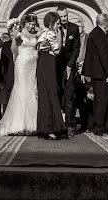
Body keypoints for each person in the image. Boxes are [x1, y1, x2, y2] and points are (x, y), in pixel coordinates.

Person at [0, 14, 40, 136]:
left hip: (33, 64)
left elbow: (38, 44)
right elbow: (13, 50)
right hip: (22, 64)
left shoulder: (36, 35)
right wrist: (15, 38)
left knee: (32, 91)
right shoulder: (19, 34)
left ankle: (32, 124)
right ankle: (18, 124)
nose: (32, 26)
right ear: (25, 23)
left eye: (34, 24)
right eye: (30, 24)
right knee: (21, 91)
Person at [82, 13, 108, 136]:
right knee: (101, 101)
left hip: (101, 73)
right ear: (106, 23)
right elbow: (103, 55)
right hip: (102, 74)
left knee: (107, 100)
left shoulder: (97, 33)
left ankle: (107, 126)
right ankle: (99, 127)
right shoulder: (99, 34)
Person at [36, 11, 68, 140]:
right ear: (52, 23)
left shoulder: (42, 32)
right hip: (48, 62)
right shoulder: (50, 33)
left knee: (44, 93)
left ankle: (45, 128)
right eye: (57, 24)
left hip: (42, 63)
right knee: (51, 93)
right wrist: (60, 37)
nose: (58, 26)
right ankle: (52, 128)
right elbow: (57, 50)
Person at [55, 6, 80, 130]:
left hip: (70, 66)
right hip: (56, 66)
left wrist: (70, 66)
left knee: (69, 94)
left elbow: (76, 49)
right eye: (61, 16)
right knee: (57, 92)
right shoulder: (53, 29)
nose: (64, 19)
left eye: (65, 16)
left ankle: (70, 122)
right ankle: (57, 121)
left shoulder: (74, 28)